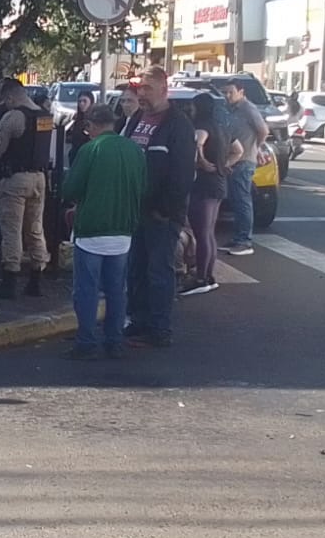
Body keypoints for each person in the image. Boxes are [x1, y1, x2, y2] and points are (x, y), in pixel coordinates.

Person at [62, 105, 146, 360]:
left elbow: (70, 189)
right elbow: (143, 188)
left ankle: (86, 342)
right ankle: (114, 341)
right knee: (116, 291)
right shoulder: (134, 150)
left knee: (86, 291)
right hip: (123, 231)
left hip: (91, 231)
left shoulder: (90, 150)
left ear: (93, 125)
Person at [123, 69, 196, 348]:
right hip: (136, 210)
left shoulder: (178, 125)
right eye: (140, 88)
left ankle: (159, 329)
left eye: (148, 89)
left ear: (164, 90)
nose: (142, 93)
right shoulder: (136, 120)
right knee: (136, 268)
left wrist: (165, 209)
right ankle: (138, 320)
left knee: (159, 271)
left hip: (161, 215)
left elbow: (182, 174)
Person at [0, 78, 54, 299]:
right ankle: (36, 279)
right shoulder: (44, 115)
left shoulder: (14, 116)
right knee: (35, 228)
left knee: (11, 229)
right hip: (39, 178)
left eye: (6, 100)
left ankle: (9, 281)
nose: (5, 104)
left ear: (11, 97)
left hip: (16, 179)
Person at [183, 92, 241, 297]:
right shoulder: (223, 127)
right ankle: (208, 276)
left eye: (192, 106)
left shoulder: (202, 127)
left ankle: (201, 278)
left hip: (204, 184)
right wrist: (223, 165)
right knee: (209, 232)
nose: (190, 109)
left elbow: (199, 141)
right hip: (219, 182)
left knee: (202, 232)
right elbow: (238, 150)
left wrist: (202, 161)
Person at [218, 80, 266, 257]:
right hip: (234, 159)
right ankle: (238, 237)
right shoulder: (230, 109)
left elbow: (263, 130)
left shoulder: (248, 108)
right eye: (225, 92)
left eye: (231, 92)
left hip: (244, 160)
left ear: (241, 92)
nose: (227, 96)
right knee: (236, 201)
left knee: (242, 201)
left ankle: (244, 241)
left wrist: (256, 147)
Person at [65, 91, 96, 167]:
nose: (82, 104)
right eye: (80, 101)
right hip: (75, 155)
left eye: (85, 101)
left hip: (88, 156)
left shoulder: (94, 119)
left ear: (91, 102)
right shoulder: (77, 118)